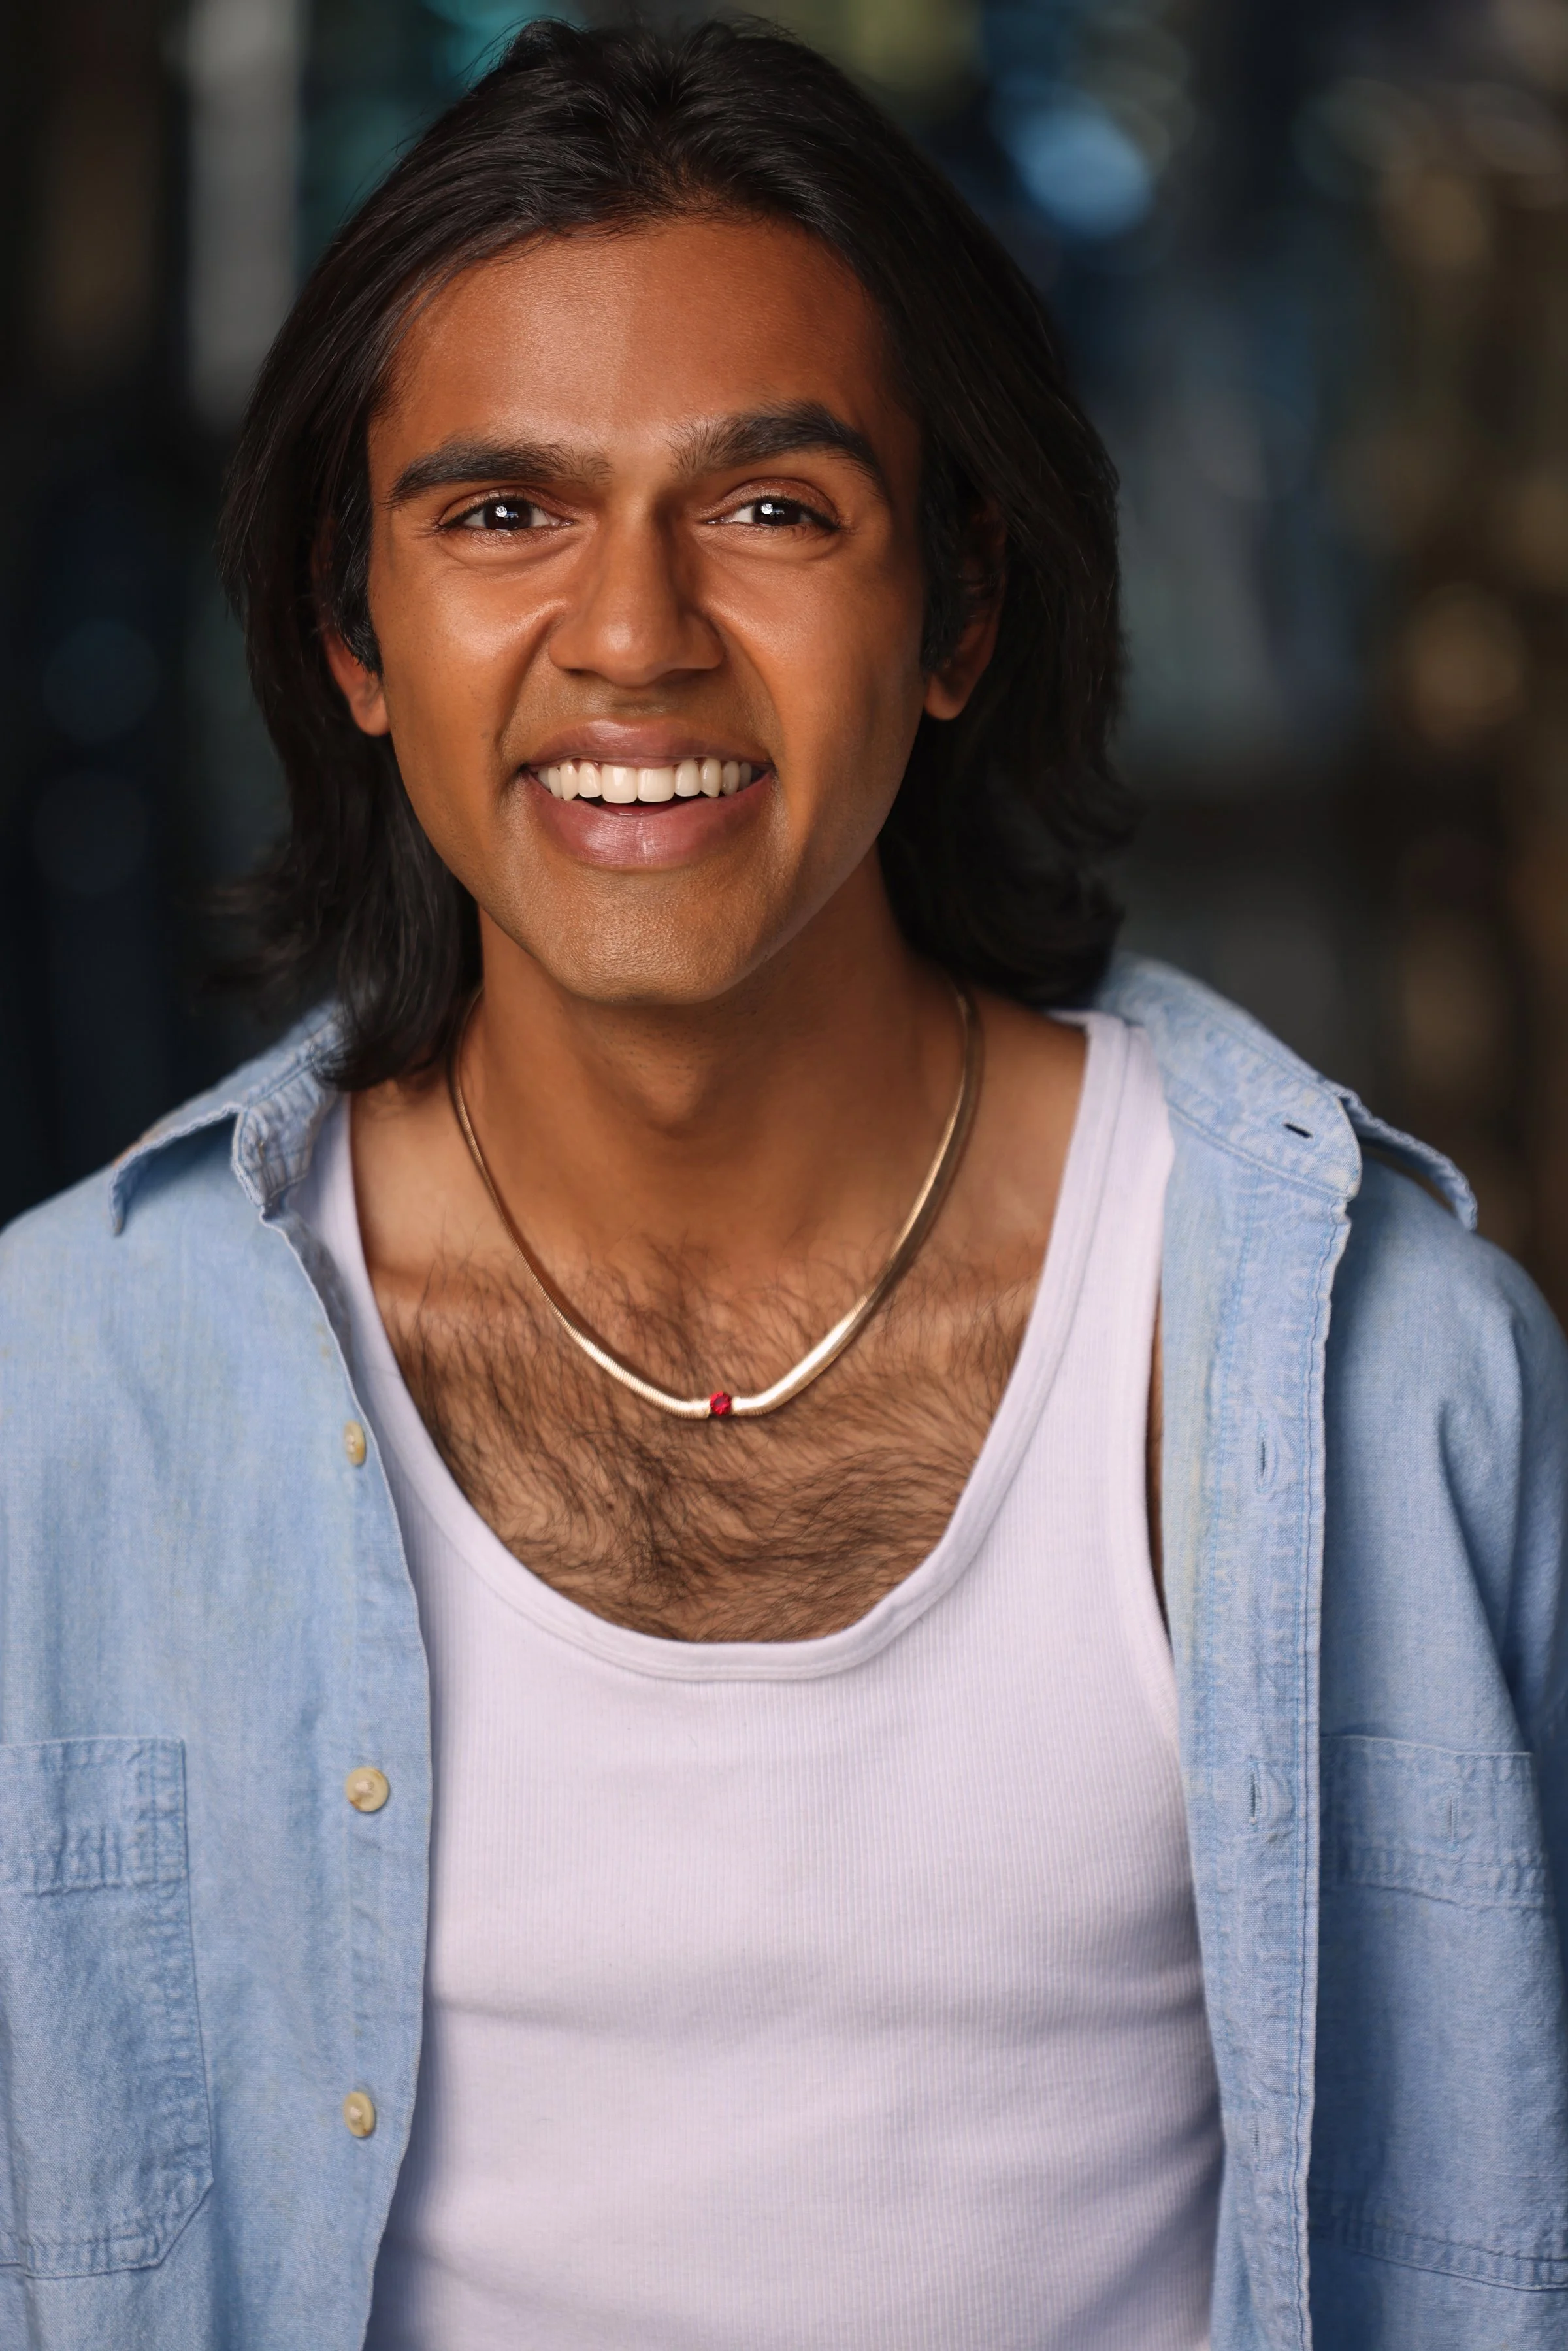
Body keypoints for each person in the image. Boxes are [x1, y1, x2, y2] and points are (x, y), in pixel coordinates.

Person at [1, 18, 1563, 2350]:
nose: (632, 638)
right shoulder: (72, 1395)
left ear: (953, 612)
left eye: (768, 507)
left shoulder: (1376, 1373)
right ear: (353, 636)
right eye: (503, 512)